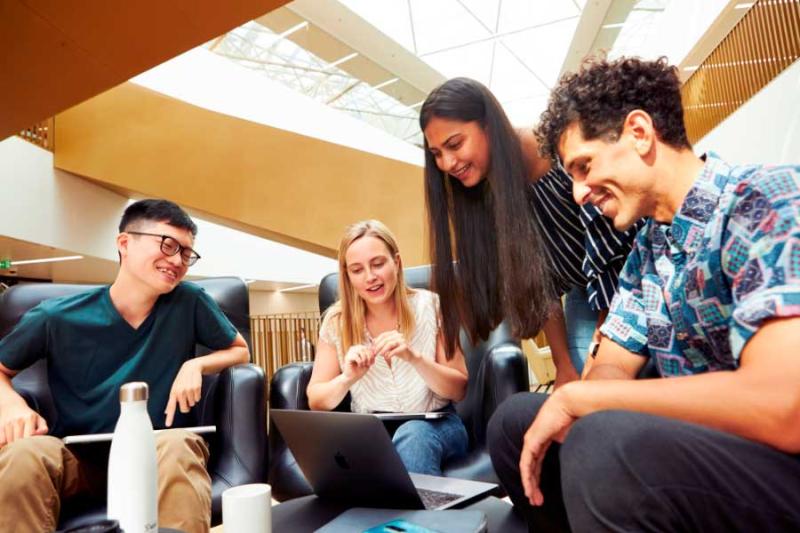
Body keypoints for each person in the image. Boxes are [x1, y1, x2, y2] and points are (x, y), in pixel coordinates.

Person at [488, 56, 800, 532]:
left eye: (583, 166)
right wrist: (587, 395)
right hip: (700, 453)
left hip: (779, 462)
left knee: (602, 441)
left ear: (639, 132)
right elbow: (611, 363)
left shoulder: (765, 201)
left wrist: (589, 403)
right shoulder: (649, 249)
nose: (578, 193)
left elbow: (784, 406)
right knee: (515, 425)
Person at [0, 199, 250, 533]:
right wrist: (10, 404)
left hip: (160, 450)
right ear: (124, 243)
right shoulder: (53, 316)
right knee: (22, 456)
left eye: (186, 253)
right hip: (79, 459)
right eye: (167, 245)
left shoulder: (189, 301)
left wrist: (197, 364)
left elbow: (239, 350)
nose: (177, 260)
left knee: (178, 446)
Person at [420, 77, 643, 386]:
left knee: (613, 380)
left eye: (455, 144)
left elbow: (615, 248)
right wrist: (564, 367)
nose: (446, 163)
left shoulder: (558, 150)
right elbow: (537, 281)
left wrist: (600, 345)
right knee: (582, 379)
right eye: (436, 153)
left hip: (636, 276)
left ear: (488, 125)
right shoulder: (486, 191)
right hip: (585, 293)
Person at [306, 220, 469, 475]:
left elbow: (458, 389)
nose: (370, 277)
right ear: (347, 275)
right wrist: (348, 378)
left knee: (412, 437)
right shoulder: (336, 321)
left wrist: (415, 358)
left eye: (378, 264)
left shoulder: (432, 306)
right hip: (373, 431)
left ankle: (418, 517)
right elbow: (316, 400)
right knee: (340, 454)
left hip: (436, 424)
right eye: (357, 270)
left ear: (397, 262)